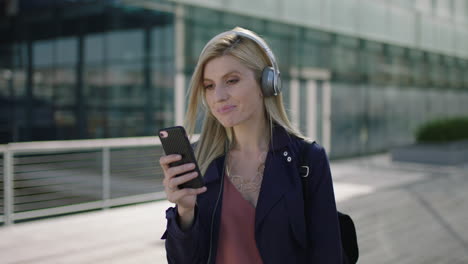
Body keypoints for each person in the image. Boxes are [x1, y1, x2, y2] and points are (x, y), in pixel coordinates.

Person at [160, 27, 343, 263]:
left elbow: (328, 255)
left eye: (232, 80)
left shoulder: (307, 159)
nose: (219, 96)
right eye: (209, 86)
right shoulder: (199, 161)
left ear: (267, 83)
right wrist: (185, 213)